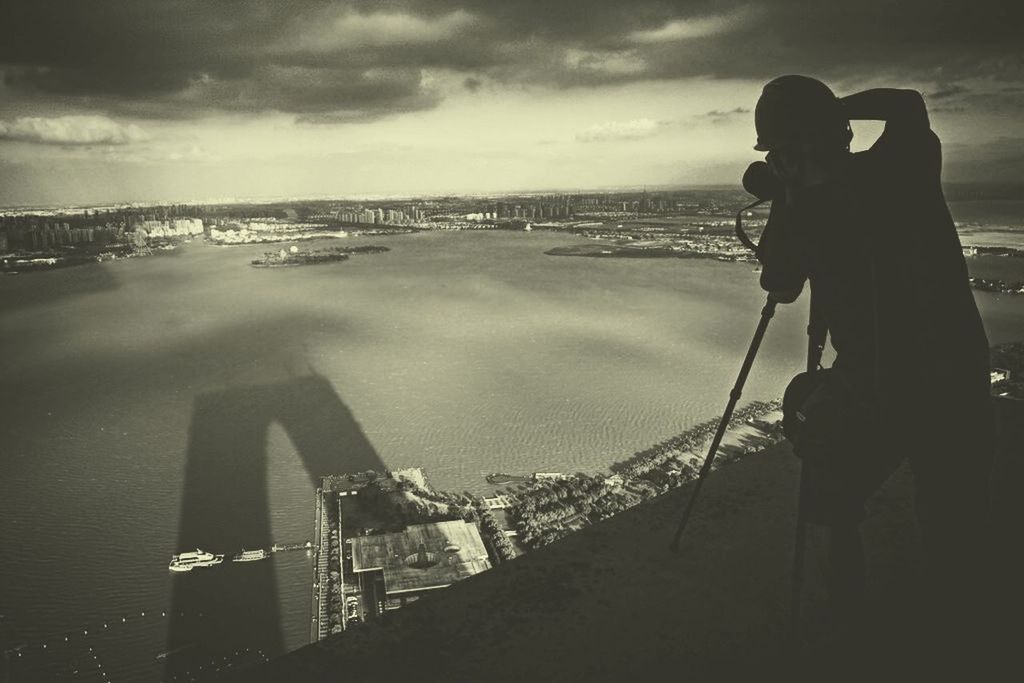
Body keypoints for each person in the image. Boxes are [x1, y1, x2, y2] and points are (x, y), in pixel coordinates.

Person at [748, 75, 994, 655]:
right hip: (950, 370)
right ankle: (957, 633)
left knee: (836, 500)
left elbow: (779, 284)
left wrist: (787, 194)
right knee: (950, 517)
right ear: (846, 133)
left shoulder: (810, 204)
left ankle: (852, 627)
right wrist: (819, 129)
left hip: (880, 383)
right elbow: (908, 105)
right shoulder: (904, 165)